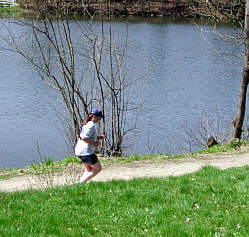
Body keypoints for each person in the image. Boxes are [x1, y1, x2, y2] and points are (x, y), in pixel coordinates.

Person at [75, 108, 104, 184]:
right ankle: (80, 183)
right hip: (86, 152)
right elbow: (84, 138)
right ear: (94, 116)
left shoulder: (87, 123)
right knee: (98, 169)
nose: (100, 119)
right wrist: (94, 143)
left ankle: (80, 183)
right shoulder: (91, 125)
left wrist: (98, 137)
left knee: (89, 169)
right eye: (99, 117)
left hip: (79, 150)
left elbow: (85, 136)